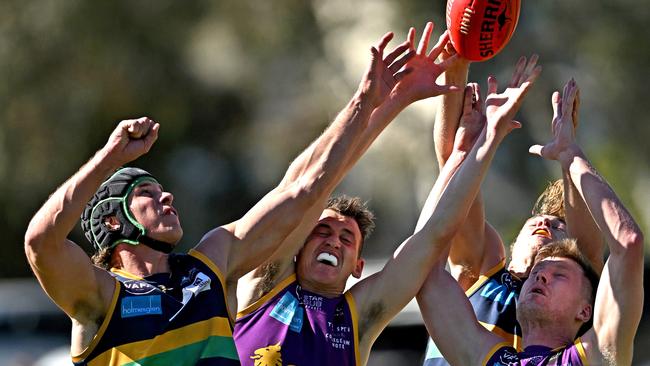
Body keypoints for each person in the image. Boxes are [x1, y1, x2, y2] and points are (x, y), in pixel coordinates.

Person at [23, 26, 445, 365]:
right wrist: (110, 156)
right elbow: (41, 242)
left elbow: (302, 189)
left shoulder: (211, 265)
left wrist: (368, 102)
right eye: (147, 193)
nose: (167, 197)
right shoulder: (99, 297)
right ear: (114, 222)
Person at [232, 22, 515, 366]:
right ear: (296, 247)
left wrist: (471, 151)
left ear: (358, 267)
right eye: (322, 231)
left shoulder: (358, 318)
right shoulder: (264, 285)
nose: (333, 242)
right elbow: (305, 186)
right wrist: (394, 100)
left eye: (346, 238)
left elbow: (431, 237)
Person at [417, 78, 644, 365]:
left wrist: (568, 155)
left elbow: (606, 248)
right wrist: (457, 68)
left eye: (558, 226)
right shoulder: (484, 269)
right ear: (514, 244)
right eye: (535, 221)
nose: (545, 225)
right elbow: (426, 249)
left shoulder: (584, 325)